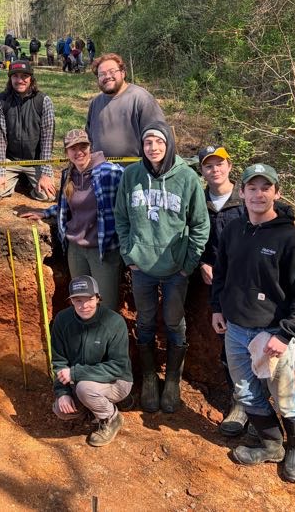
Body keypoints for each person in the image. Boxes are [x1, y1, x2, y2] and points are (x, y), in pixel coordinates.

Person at [211, 163, 295, 483]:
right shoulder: (233, 230)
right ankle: (272, 444)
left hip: (273, 333)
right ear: (241, 192)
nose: (259, 194)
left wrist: (286, 335)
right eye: (252, 188)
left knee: (284, 396)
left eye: (265, 188)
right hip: (235, 330)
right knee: (245, 393)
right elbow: (221, 274)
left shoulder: (292, 239)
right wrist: (218, 307)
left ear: (277, 192)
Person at [114, 121, 209, 414]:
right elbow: (121, 218)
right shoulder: (131, 175)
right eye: (147, 143)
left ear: (169, 144)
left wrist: (187, 264)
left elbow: (200, 225)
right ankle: (149, 378)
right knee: (144, 322)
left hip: (174, 271)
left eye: (159, 142)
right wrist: (129, 254)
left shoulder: (187, 179)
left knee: (173, 322)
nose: (153, 148)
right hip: (141, 268)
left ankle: (172, 381)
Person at [21, 129, 124, 311]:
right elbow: (67, 206)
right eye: (72, 148)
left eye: (83, 146)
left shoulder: (111, 172)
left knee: (106, 307)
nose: (79, 152)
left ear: (90, 147)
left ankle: (109, 340)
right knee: (82, 304)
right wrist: (47, 212)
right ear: (66, 152)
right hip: (75, 250)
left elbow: (130, 202)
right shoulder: (67, 174)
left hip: (104, 250)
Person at [197, 145, 248, 436]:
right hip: (216, 283)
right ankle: (239, 401)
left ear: (229, 166)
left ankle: (256, 402)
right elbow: (192, 235)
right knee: (230, 343)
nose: (214, 170)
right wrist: (201, 264)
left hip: (246, 284)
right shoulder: (200, 201)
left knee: (250, 342)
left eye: (219, 164)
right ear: (202, 172)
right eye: (208, 166)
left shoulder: (245, 199)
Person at [51, 275, 133, 447]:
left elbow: (118, 367)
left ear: (98, 298)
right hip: (81, 382)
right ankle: (92, 407)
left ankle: (111, 418)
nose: (84, 305)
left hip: (117, 381)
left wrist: (75, 373)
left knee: (85, 388)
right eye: (78, 300)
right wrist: (62, 393)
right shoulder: (62, 320)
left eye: (89, 299)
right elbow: (59, 362)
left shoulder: (114, 322)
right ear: (71, 301)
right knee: (61, 411)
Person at [0, 59, 56, 202]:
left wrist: (45, 174)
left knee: (48, 196)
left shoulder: (44, 101)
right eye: (15, 76)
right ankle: (17, 178)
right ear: (10, 78)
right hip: (11, 160)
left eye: (24, 76)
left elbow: (47, 142)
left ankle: (27, 180)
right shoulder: (0, 101)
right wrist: (0, 173)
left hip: (35, 160)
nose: (20, 80)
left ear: (31, 78)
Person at [86, 53, 165, 158]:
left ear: (123, 73)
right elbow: (89, 138)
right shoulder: (96, 103)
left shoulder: (141, 99)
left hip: (134, 171)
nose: (107, 76)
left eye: (112, 71)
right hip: (101, 171)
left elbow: (158, 137)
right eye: (102, 74)